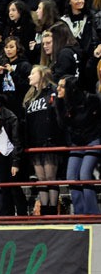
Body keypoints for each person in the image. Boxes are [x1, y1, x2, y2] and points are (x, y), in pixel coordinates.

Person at [55, 75, 101, 215]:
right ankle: (79, 214)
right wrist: (58, 106)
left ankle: (92, 214)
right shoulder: (63, 103)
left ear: (71, 89)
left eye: (62, 86)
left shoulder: (91, 99)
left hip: (93, 139)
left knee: (85, 173)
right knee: (71, 176)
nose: (58, 89)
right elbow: (62, 125)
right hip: (76, 142)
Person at [23, 65, 62, 216]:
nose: (29, 76)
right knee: (41, 179)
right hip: (35, 142)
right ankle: (45, 211)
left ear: (42, 75)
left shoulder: (52, 92)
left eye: (32, 73)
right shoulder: (30, 96)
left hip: (50, 141)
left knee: (50, 178)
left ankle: (53, 210)